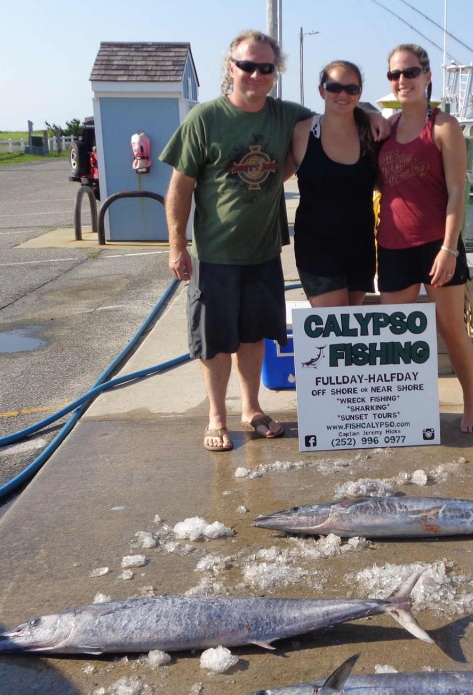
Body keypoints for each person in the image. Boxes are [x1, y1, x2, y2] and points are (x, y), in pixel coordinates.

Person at [160, 30, 313, 450]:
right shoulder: (204, 119)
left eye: (266, 67)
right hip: (215, 253)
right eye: (248, 65)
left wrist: (374, 117)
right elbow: (179, 188)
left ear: (275, 72)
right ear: (231, 68)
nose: (256, 74)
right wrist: (177, 244)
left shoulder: (287, 114)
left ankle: (251, 408)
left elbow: (336, 115)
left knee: (252, 335)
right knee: (214, 339)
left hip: (263, 252)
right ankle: (216, 417)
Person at [376, 43, 473, 433]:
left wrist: (449, 248)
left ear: (427, 76)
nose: (402, 80)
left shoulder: (443, 126)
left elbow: (458, 192)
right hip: (391, 246)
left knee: (452, 330)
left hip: (437, 246)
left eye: (410, 72)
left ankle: (471, 403)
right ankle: (404, 412)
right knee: (397, 338)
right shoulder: (384, 128)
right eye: (394, 74)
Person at [287, 60, 378, 307]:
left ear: (360, 93)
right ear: (321, 90)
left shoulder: (372, 133)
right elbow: (271, 176)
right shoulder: (301, 132)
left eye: (352, 89)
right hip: (317, 249)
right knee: (333, 326)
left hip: (360, 247)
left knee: (348, 333)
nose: (342, 94)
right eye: (334, 87)